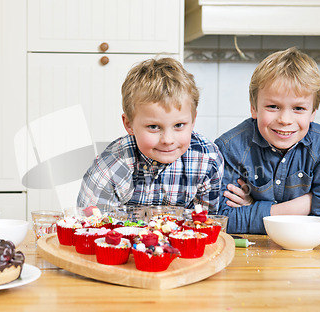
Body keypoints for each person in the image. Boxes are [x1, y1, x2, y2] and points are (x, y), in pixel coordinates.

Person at [215, 47, 320, 234]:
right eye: (273, 106)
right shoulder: (229, 147)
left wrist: (253, 207)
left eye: (299, 108)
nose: (285, 119)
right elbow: (220, 219)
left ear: (313, 112)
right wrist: (305, 205)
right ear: (254, 108)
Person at [77, 57, 224, 213]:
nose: (168, 140)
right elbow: (93, 229)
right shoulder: (111, 168)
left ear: (193, 119)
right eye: (154, 127)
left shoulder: (208, 161)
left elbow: (205, 224)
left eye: (179, 125)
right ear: (129, 124)